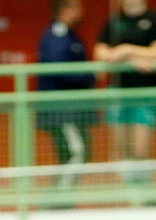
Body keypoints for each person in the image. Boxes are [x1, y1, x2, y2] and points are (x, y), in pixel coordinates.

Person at [93, 0, 156, 183]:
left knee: (140, 149)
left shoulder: (154, 19)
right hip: (118, 92)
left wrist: (126, 50)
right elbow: (101, 54)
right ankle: (129, 195)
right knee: (122, 150)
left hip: (145, 93)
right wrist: (132, 60)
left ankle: (143, 193)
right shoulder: (114, 21)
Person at [36, 0, 99, 190]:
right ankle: (59, 199)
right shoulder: (56, 36)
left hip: (73, 109)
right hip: (62, 110)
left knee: (76, 153)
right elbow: (59, 69)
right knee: (75, 153)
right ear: (64, 10)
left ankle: (64, 198)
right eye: (76, 8)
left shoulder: (70, 36)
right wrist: (90, 75)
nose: (81, 12)